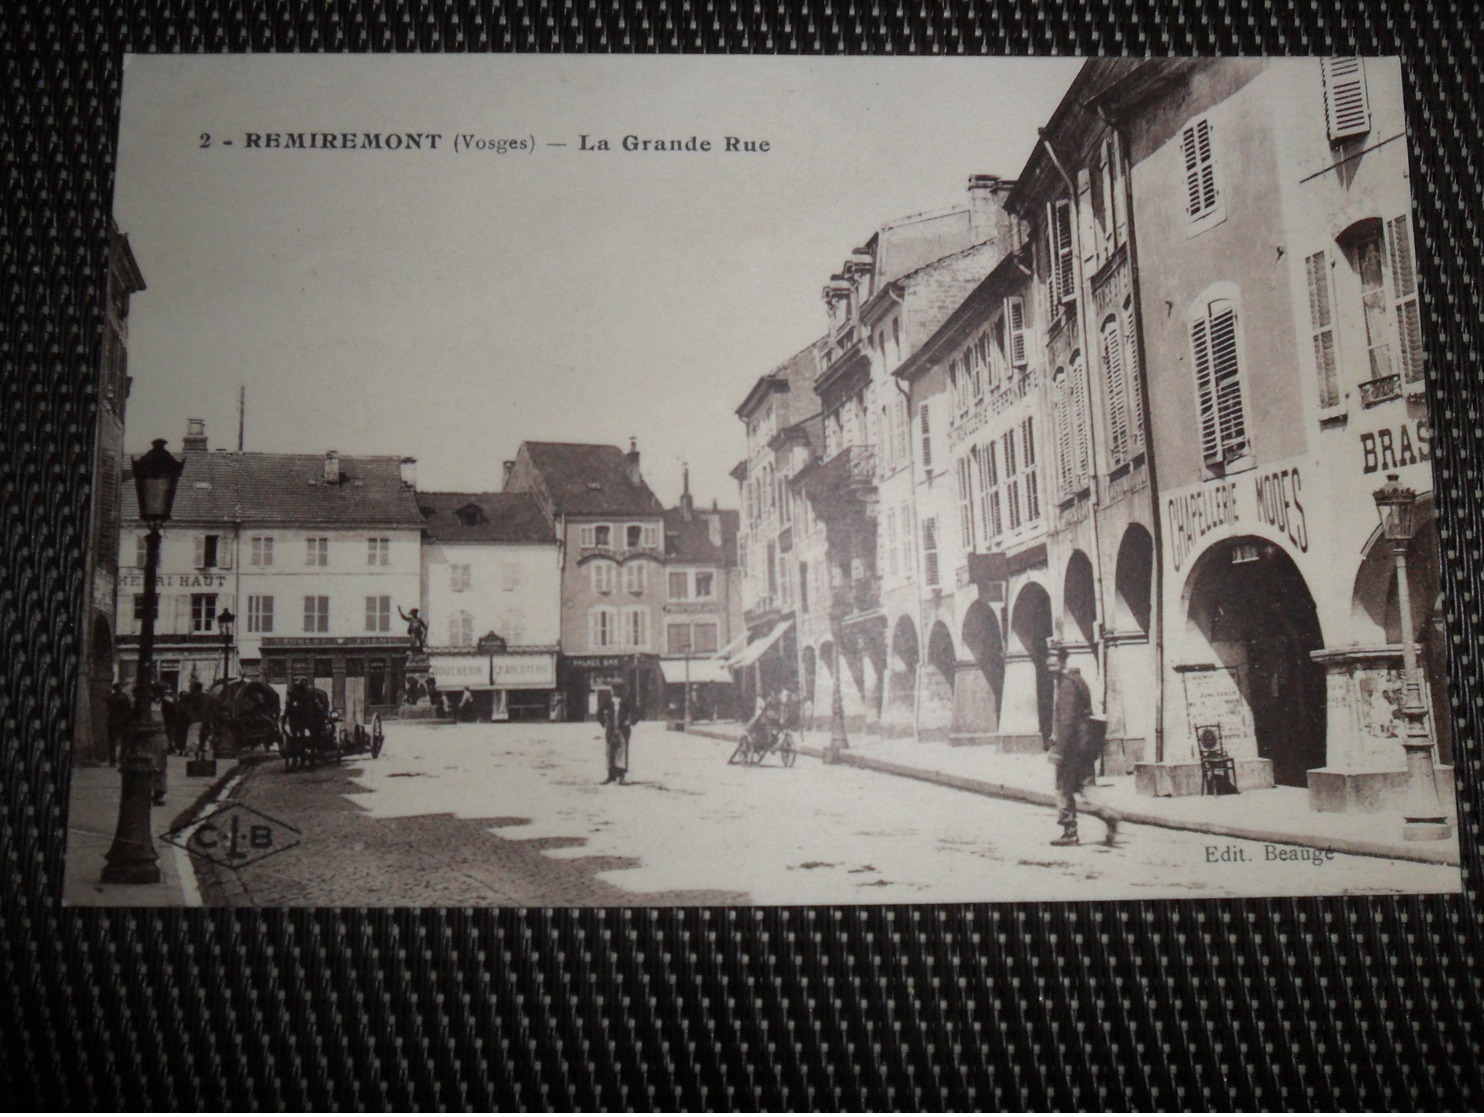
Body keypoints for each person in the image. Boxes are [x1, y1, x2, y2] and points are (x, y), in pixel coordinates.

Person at [1046, 645, 1119, 847]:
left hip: (1071, 749)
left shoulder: (1067, 684)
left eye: (1053, 661)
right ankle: (1107, 815)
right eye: (1048, 660)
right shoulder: (1076, 680)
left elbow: (1068, 721)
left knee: (1063, 788)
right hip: (1084, 746)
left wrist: (1060, 751)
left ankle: (1070, 832)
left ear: (1062, 661)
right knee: (1086, 787)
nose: (1049, 664)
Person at [598, 680, 635, 785]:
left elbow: (636, 712)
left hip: (623, 730)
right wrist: (604, 723)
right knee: (610, 751)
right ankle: (610, 776)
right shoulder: (608, 700)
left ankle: (622, 777)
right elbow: (599, 713)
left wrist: (631, 721)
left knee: (622, 752)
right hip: (611, 729)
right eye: (614, 688)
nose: (615, 690)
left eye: (618, 688)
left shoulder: (627, 700)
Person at [104, 682, 131, 767]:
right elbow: (128, 709)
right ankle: (117, 759)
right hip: (119, 722)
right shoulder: (123, 697)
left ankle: (116, 760)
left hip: (116, 722)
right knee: (118, 742)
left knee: (117, 742)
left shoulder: (112, 698)